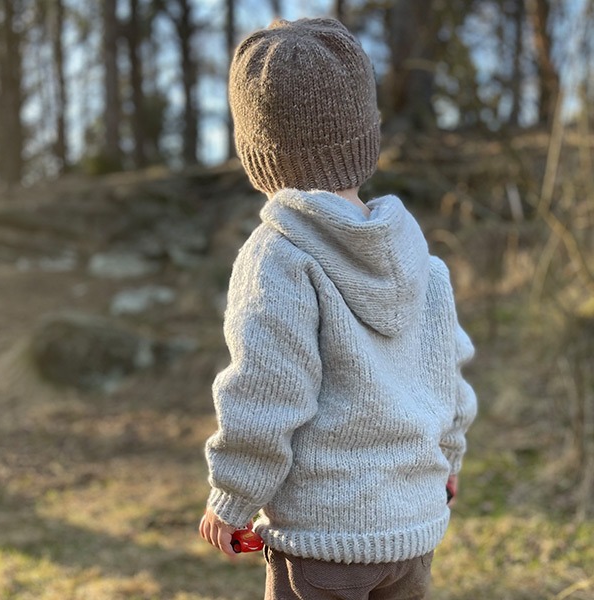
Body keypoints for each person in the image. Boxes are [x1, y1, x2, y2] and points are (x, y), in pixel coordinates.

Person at [199, 17, 477, 600]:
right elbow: (448, 382)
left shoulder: (278, 255)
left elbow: (268, 389)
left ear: (259, 152)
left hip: (322, 540)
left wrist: (233, 496)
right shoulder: (421, 259)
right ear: (365, 136)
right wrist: (448, 463)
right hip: (412, 529)